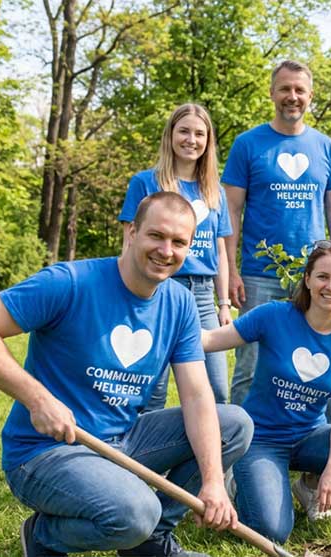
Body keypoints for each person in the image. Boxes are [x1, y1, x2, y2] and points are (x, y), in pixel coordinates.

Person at [0, 192, 254, 557]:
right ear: (131, 232)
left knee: (233, 423)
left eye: (179, 242)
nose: (166, 250)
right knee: (135, 512)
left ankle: (150, 545)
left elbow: (197, 396)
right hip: (46, 452)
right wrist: (38, 398)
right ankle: (44, 536)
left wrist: (213, 481)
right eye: (156, 235)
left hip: (123, 440)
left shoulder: (179, 302)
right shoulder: (70, 282)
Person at [203, 240, 331, 543]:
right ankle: (242, 479)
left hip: (310, 437)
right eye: (322, 277)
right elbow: (210, 340)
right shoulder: (274, 316)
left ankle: (309, 485)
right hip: (260, 439)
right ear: (307, 279)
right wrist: (169, 324)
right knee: (272, 531)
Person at [222, 60, 331, 406]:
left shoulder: (325, 147)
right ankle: (239, 442)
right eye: (285, 89)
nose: (291, 96)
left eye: (299, 90)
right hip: (257, 274)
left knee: (319, 358)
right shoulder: (247, 144)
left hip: (315, 275)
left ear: (310, 97)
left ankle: (315, 436)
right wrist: (231, 270)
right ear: (272, 93)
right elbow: (230, 210)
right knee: (250, 363)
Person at [119, 103, 233, 411]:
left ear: (208, 141)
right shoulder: (146, 182)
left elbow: (219, 250)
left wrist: (223, 304)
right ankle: (145, 456)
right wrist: (129, 295)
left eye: (199, 133)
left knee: (217, 389)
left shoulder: (214, 190)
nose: (191, 140)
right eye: (184, 131)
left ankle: (214, 457)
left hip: (203, 296)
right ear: (170, 135)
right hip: (160, 290)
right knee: (152, 390)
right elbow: (129, 241)